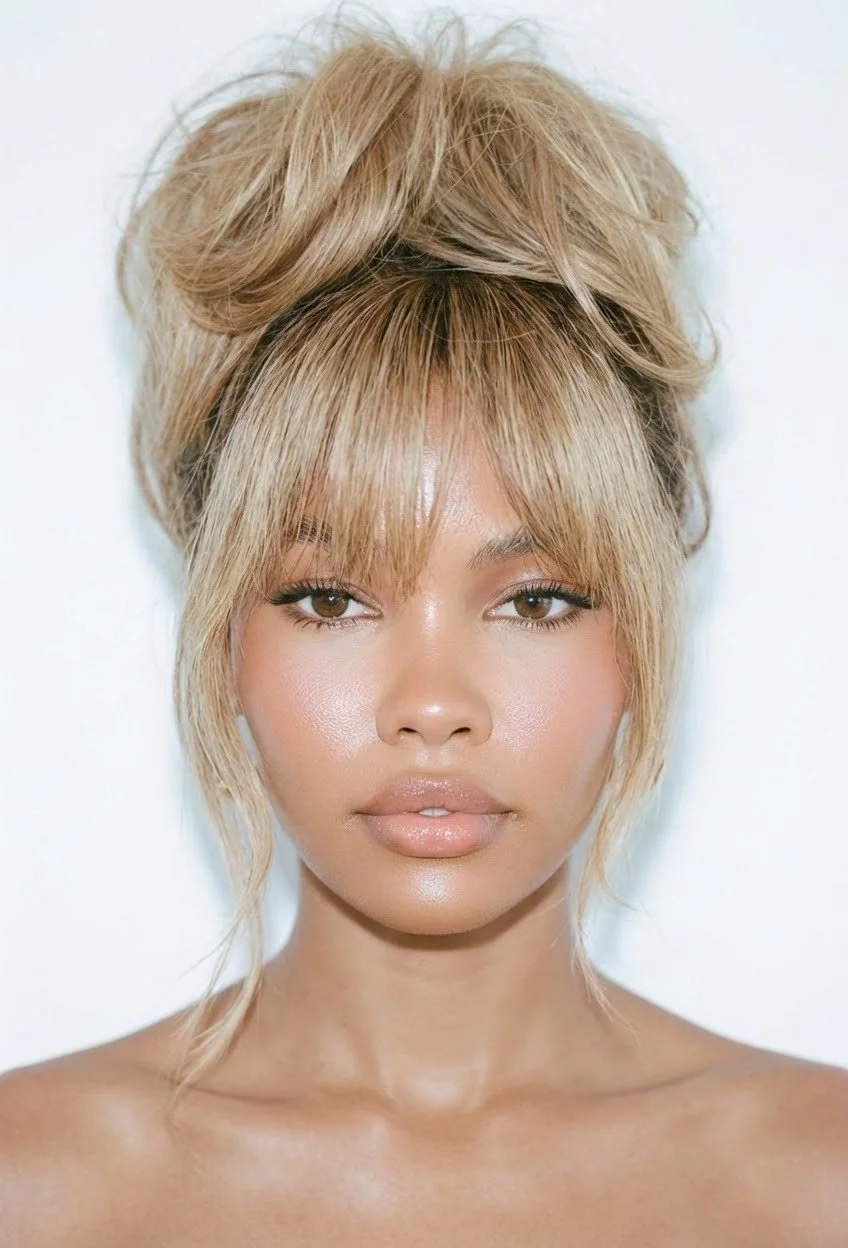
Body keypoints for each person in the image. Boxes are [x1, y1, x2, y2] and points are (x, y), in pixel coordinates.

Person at [1, 12, 846, 1244]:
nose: (432, 700)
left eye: (534, 600)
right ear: (222, 629)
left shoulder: (812, 1183)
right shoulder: (34, 1188)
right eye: (330, 599)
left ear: (643, 626)